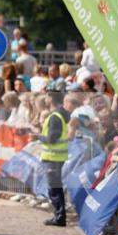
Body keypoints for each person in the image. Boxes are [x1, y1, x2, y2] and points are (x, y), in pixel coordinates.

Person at [40, 88, 70, 227]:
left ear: (51, 98)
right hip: (56, 156)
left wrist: (39, 137)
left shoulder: (55, 116)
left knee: (54, 188)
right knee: (56, 187)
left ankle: (59, 216)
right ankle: (59, 215)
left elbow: (52, 138)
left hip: (53, 157)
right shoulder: (58, 115)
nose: (45, 99)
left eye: (46, 97)